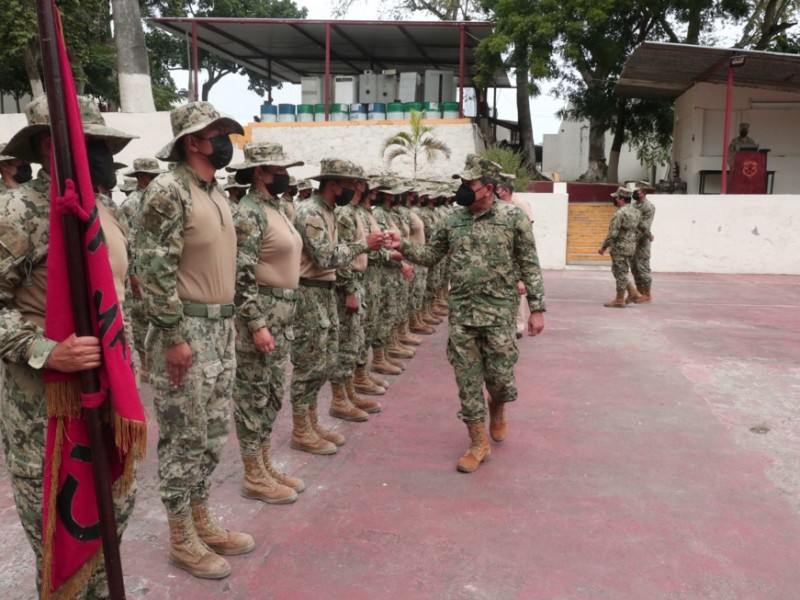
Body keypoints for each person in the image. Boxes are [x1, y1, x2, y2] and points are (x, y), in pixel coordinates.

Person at [0, 95, 138, 598]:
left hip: (109, 390)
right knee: (61, 527)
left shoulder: (102, 207)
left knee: (113, 512)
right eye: (92, 143)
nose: (101, 154)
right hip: (46, 403)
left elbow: (120, 295)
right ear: (49, 144)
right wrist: (45, 349)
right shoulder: (14, 211)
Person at [137, 101, 251, 580]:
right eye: (216, 133)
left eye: (225, 131)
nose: (224, 140)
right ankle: (181, 534)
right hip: (185, 330)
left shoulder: (215, 192)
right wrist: (172, 336)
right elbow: (154, 270)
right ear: (192, 142)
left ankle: (201, 518)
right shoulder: (169, 190)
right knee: (183, 437)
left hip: (220, 329)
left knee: (210, 434)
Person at [385, 155, 546, 473]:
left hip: (500, 315)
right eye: (461, 183)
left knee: (500, 381)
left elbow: (530, 262)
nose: (462, 190)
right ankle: (477, 443)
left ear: (488, 188)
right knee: (467, 382)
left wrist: (537, 309)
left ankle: (497, 407)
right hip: (462, 316)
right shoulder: (452, 221)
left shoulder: (513, 218)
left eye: (468, 184)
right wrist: (403, 246)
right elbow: (431, 255)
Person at [289, 158, 385, 455]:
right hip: (309, 294)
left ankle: (312, 421)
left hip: (325, 292)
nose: (355, 190)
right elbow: (324, 257)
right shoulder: (311, 212)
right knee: (309, 364)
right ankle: (300, 428)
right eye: (350, 184)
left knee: (324, 362)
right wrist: (363, 245)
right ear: (332, 183)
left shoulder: (328, 211)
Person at [228, 142, 304, 504]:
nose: (284, 176)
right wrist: (256, 323)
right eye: (279, 170)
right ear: (260, 172)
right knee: (253, 394)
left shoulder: (276, 208)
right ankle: (253, 473)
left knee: (272, 392)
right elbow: (241, 273)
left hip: (282, 315)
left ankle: (263, 461)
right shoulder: (249, 213)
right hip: (262, 315)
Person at [330, 172, 383, 420]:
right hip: (347, 285)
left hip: (359, 280)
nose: (358, 187)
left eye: (358, 182)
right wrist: (349, 289)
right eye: (354, 183)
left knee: (354, 341)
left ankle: (350, 391)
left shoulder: (353, 212)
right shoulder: (345, 213)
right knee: (346, 344)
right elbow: (340, 254)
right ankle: (340, 398)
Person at [120, 157, 165, 380]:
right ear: (142, 177)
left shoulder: (158, 199)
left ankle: (158, 359)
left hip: (158, 267)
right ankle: (146, 364)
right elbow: (127, 242)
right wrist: (133, 273)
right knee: (139, 318)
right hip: (138, 271)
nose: (156, 179)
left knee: (158, 313)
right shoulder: (130, 204)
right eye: (152, 176)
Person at [496, 176, 534, 339]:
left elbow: (528, 227)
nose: (496, 192)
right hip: (503, 254)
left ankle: (518, 326)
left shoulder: (519, 204)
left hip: (517, 252)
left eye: (498, 189)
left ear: (505, 191)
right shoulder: (501, 205)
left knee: (518, 290)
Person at [598, 187, 641, 307]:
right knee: (617, 270)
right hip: (631, 246)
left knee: (620, 272)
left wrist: (603, 247)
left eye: (616, 198)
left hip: (620, 247)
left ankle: (619, 299)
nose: (615, 200)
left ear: (621, 199)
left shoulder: (619, 213)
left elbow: (613, 233)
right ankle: (633, 292)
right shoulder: (636, 212)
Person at [629, 185, 656, 303]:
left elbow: (645, 226)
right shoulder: (633, 206)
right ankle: (639, 292)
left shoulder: (649, 206)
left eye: (637, 191)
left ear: (644, 193)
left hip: (642, 241)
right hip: (633, 240)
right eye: (634, 191)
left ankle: (647, 293)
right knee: (634, 267)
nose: (635, 193)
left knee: (643, 267)